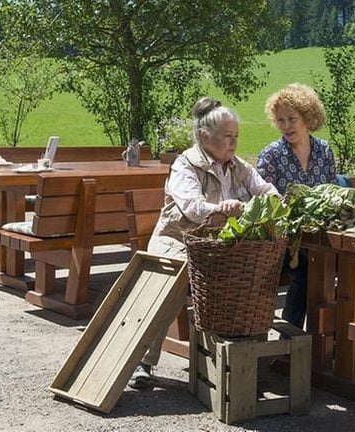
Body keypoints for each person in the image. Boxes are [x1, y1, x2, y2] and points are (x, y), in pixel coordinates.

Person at [129, 97, 278, 389]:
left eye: (236, 136)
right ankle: (143, 360)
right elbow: (191, 207)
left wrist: (273, 200)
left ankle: (243, 359)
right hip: (176, 240)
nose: (233, 143)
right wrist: (221, 208)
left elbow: (265, 189)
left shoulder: (238, 166)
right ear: (204, 137)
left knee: (255, 270)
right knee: (180, 275)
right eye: (227, 137)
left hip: (218, 247)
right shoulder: (185, 165)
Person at [256, 83, 337, 329]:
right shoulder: (271, 154)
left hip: (321, 235)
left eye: (291, 118)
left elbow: (333, 193)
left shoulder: (324, 150)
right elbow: (260, 201)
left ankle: (332, 332)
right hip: (282, 240)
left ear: (308, 117)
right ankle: (290, 340)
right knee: (307, 270)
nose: (286, 126)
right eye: (280, 120)